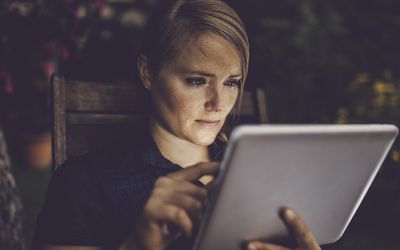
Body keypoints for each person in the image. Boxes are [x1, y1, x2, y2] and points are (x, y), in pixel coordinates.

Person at [34, 0, 321, 249]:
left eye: (231, 82)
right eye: (197, 81)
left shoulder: (263, 172)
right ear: (147, 73)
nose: (219, 103)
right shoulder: (84, 183)